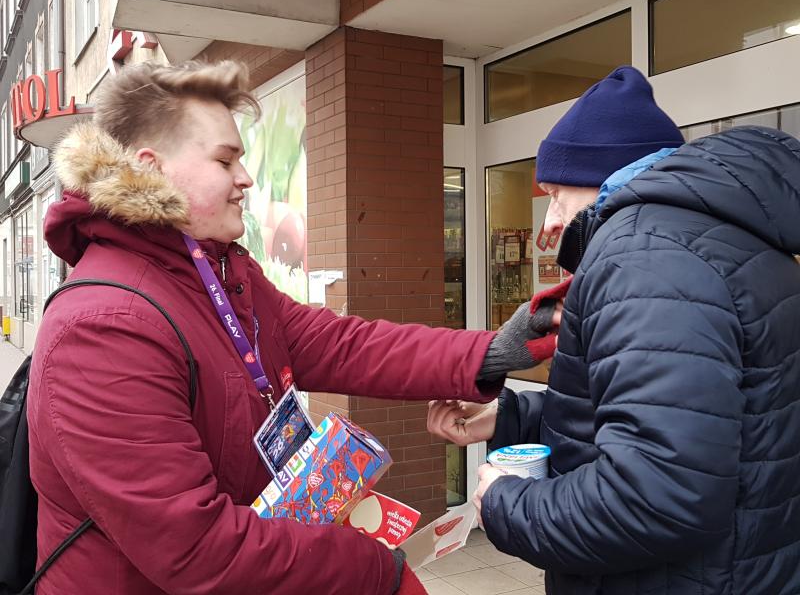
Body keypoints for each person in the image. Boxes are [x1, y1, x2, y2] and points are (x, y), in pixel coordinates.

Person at [26, 61, 558, 595]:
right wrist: (373, 569)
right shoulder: (103, 327)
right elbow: (195, 549)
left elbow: (342, 345)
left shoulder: (223, 274)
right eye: (224, 159)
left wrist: (492, 351)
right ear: (152, 168)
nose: (245, 178)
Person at [428, 65, 800, 594]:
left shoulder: (644, 259)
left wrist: (507, 504)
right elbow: (699, 418)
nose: (550, 221)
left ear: (607, 176)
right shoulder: (719, 240)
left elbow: (658, 493)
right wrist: (511, 416)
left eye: (557, 193)